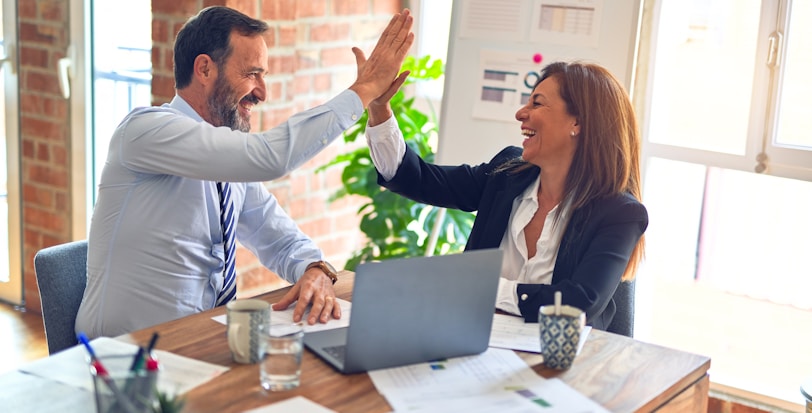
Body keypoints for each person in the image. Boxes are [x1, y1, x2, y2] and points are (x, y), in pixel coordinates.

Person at [76, 6, 414, 338]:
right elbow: (271, 157)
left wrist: (315, 269)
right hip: (124, 358)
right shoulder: (146, 131)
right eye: (252, 73)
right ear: (205, 69)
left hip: (200, 344)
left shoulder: (227, 163)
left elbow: (278, 236)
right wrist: (364, 90)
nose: (262, 92)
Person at [365, 61, 647, 330]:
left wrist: (483, 287)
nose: (521, 113)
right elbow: (418, 179)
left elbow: (578, 304)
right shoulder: (507, 174)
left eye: (537, 103)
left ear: (578, 123)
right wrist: (379, 108)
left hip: (562, 365)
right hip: (474, 344)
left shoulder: (619, 213)